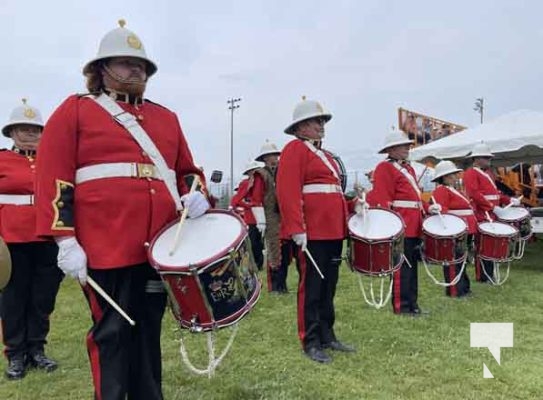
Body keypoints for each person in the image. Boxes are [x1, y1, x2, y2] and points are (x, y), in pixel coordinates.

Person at [34, 20, 210, 400]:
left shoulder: (167, 118)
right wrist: (65, 239)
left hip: (161, 247)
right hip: (103, 248)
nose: (137, 70)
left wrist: (196, 193)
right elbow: (54, 178)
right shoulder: (75, 111)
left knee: (148, 330)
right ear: (101, 70)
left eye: (142, 65)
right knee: (112, 332)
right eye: (126, 62)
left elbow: (188, 173)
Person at [276, 97, 355, 364]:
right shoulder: (294, 150)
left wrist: (354, 206)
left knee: (329, 285)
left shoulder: (327, 156)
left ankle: (327, 334)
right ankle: (310, 340)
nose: (321, 125)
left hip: (332, 231)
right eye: (315, 121)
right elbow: (287, 191)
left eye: (322, 121)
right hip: (312, 232)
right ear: (300, 127)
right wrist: (297, 228)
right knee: (311, 287)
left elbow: (333, 193)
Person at [0, 99, 64, 380]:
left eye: (35, 129)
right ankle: (15, 354)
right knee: (14, 298)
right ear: (11, 133)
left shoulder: (54, 162)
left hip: (48, 237)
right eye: (22, 129)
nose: (29, 134)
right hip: (10, 240)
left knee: (42, 297)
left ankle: (37, 350)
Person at [367, 131, 440, 316]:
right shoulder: (384, 168)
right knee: (401, 267)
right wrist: (389, 225)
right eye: (403, 145)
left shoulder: (409, 169)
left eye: (408, 145)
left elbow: (414, 197)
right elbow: (382, 198)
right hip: (400, 223)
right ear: (391, 149)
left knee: (412, 267)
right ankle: (402, 306)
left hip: (414, 223)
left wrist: (428, 207)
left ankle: (413, 304)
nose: (408, 147)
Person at [463, 142, 517, 283]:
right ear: (476, 159)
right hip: (482, 213)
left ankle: (489, 273)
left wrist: (509, 199)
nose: (489, 160)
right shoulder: (470, 173)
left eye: (489, 158)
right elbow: (474, 194)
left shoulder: (489, 173)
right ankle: (482, 275)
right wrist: (491, 207)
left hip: (492, 212)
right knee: (483, 245)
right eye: (486, 158)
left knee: (492, 244)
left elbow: (496, 194)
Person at [430, 160, 475, 298]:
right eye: (452, 175)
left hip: (463, 227)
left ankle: (464, 287)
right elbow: (441, 209)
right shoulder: (441, 190)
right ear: (445, 177)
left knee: (461, 259)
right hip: (454, 228)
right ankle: (456, 290)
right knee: (453, 260)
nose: (456, 177)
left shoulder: (452, 190)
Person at [252, 141, 292, 293]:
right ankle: (275, 287)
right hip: (270, 217)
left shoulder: (282, 172)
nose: (274, 158)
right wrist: (261, 221)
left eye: (275, 155)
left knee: (285, 251)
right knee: (274, 250)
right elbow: (256, 199)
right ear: (265, 159)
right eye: (270, 156)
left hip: (284, 217)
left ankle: (282, 284)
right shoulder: (261, 175)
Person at [230, 160, 265, 270]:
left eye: (255, 171)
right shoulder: (245, 184)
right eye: (251, 171)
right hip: (251, 217)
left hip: (262, 214)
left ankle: (259, 264)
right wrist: (249, 205)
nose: (253, 173)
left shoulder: (262, 182)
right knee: (253, 242)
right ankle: (254, 264)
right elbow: (237, 201)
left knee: (260, 242)